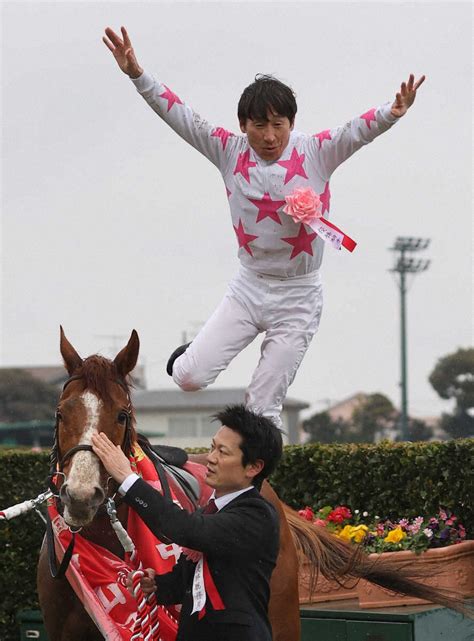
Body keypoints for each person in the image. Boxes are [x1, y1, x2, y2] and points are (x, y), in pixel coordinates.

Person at [103, 26, 425, 430]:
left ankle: (256, 489)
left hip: (299, 296)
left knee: (263, 408)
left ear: (292, 123)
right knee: (188, 378)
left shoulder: (317, 151)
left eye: (279, 125)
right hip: (249, 286)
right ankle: (192, 353)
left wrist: (390, 113)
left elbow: (355, 132)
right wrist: (137, 74)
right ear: (243, 125)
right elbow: (180, 115)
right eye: (259, 126)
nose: (270, 137)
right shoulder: (226, 149)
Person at [91, 404, 283, 641]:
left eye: (223, 452)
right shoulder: (214, 511)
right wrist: (156, 585)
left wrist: (128, 480)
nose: (210, 458)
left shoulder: (256, 514)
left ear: (254, 467)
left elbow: (185, 529)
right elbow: (188, 583)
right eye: (212, 447)